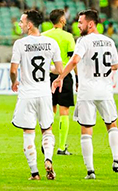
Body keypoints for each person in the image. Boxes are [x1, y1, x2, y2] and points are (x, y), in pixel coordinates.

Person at [52, 9, 118, 180]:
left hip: (87, 91)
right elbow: (116, 65)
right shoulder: (109, 41)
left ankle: (90, 171)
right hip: (105, 90)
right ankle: (116, 160)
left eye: (81, 22)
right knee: (112, 125)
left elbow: (75, 60)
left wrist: (60, 78)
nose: (78, 25)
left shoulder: (83, 41)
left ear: (91, 24)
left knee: (86, 130)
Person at [10, 9, 63, 180]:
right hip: (44, 94)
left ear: (30, 25)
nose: (20, 24)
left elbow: (13, 70)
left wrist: (14, 81)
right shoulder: (51, 43)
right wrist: (48, 69)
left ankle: (34, 172)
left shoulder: (20, 44)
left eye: (22, 21)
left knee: (28, 133)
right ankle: (48, 159)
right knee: (47, 130)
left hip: (27, 94)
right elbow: (59, 69)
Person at [42, 9, 76, 156]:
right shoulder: (68, 36)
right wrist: (78, 78)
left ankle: (46, 141)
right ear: (62, 20)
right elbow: (73, 59)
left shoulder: (44, 36)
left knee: (50, 110)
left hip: (48, 75)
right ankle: (61, 147)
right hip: (64, 75)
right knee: (64, 111)